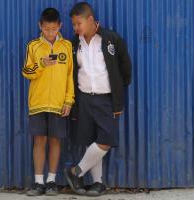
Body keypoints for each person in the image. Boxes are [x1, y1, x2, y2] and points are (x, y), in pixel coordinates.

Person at [64, 2, 131, 197]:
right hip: (84, 99)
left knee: (106, 139)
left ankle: (75, 172)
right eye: (74, 24)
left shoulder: (111, 39)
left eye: (79, 24)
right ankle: (98, 183)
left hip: (105, 99)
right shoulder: (74, 44)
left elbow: (125, 68)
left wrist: (117, 92)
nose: (76, 28)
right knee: (90, 141)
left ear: (91, 20)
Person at [22, 7, 74, 196]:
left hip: (59, 104)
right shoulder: (33, 46)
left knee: (55, 141)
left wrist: (68, 100)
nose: (50, 33)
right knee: (39, 141)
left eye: (54, 29)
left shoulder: (67, 46)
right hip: (38, 103)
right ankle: (38, 182)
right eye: (46, 29)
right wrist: (41, 64)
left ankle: (51, 180)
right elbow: (26, 72)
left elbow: (70, 76)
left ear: (60, 26)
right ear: (40, 26)